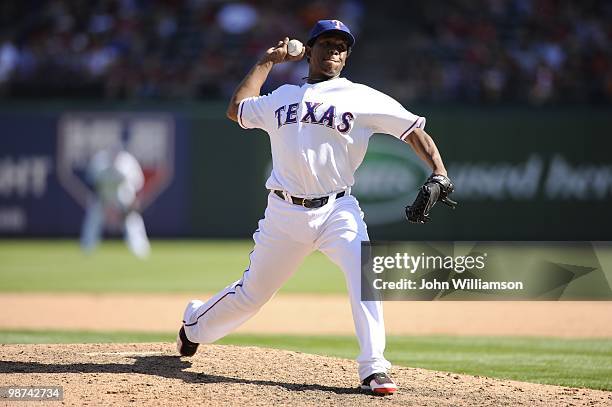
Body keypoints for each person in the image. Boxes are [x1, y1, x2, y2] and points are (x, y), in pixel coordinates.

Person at [177, 19, 452, 395]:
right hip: (284, 213)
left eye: (342, 46)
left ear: (347, 55)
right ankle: (194, 324)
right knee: (251, 296)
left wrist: (439, 172)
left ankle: (374, 368)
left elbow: (413, 131)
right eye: (327, 43)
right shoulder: (282, 96)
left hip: (339, 210)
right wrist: (267, 60)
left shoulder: (362, 97)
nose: (334, 51)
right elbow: (236, 108)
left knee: (364, 273)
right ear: (309, 50)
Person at [80, 143, 151, 259]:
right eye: (112, 154)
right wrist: (106, 206)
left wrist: (130, 208)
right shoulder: (99, 162)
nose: (114, 156)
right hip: (103, 196)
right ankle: (87, 247)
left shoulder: (128, 162)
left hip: (123, 197)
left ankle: (139, 248)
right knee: (93, 218)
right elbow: (92, 185)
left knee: (132, 220)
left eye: (117, 154)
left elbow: (138, 187)